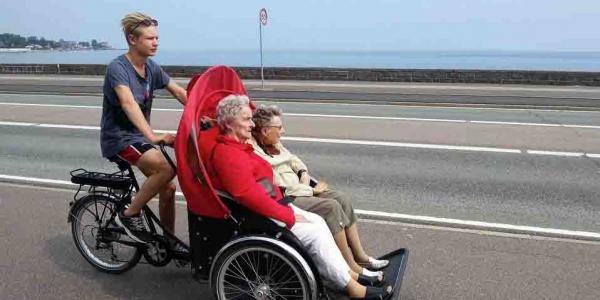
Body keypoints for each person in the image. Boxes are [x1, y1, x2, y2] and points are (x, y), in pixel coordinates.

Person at [207, 95, 391, 299]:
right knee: (314, 233)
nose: (251, 124)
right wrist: (289, 216)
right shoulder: (228, 154)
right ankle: (352, 287)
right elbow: (249, 196)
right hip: (262, 214)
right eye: (246, 119)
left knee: (319, 222)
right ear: (229, 123)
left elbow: (261, 187)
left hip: (275, 205)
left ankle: (347, 275)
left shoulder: (239, 147)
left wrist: (286, 209)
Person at [251, 105, 389, 276]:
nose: (283, 131)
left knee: (342, 199)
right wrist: (311, 191)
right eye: (279, 128)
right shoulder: (255, 152)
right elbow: (277, 184)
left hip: (302, 186)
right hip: (290, 196)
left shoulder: (274, 142)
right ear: (265, 131)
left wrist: (303, 173)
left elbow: (293, 160)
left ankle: (360, 255)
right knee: (331, 207)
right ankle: (350, 266)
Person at [100, 12, 187, 243]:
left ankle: (169, 242)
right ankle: (129, 214)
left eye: (156, 38)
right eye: (150, 38)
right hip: (119, 139)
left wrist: (208, 114)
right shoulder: (117, 68)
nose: (156, 42)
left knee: (168, 189)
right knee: (167, 169)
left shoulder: (151, 68)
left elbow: (179, 92)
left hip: (138, 138)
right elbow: (128, 103)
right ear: (132, 39)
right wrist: (152, 136)